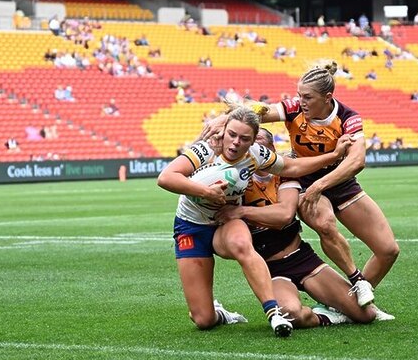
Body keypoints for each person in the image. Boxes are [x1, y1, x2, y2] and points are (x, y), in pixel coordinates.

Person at [201, 61, 398, 320]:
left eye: (307, 97)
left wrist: (321, 185)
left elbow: (356, 161)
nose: (300, 101)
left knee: (388, 250)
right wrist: (223, 118)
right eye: (299, 95)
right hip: (303, 178)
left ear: (328, 97)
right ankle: (354, 281)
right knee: (325, 223)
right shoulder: (294, 109)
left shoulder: (349, 119)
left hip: (338, 182)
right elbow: (258, 113)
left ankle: (347, 300)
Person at [157, 106, 352, 337]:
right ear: (225, 130)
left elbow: (292, 166)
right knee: (203, 319)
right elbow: (166, 178)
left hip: (225, 222)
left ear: (252, 142)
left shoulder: (256, 154)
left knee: (242, 244)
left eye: (244, 138)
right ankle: (220, 314)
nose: (235, 143)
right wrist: (206, 192)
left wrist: (334, 156)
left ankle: (273, 313)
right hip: (191, 226)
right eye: (232, 135)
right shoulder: (205, 150)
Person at [216, 128, 376, 328]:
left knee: (366, 315)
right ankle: (323, 316)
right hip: (270, 268)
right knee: (292, 313)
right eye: (253, 147)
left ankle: (332, 304)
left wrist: (241, 212)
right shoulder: (236, 180)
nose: (258, 152)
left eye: (263, 146)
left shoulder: (283, 174)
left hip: (302, 257)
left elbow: (284, 215)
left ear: (272, 150)